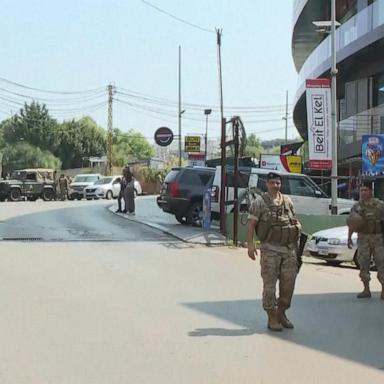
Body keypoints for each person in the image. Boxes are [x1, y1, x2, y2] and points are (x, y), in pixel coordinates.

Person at [247, 172, 301, 331]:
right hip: (270, 249)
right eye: (272, 183)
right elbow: (250, 224)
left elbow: (294, 222)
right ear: (267, 184)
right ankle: (271, 317)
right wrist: (250, 245)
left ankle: (281, 312)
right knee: (269, 285)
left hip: (289, 250)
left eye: (278, 183)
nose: (275, 185)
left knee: (288, 285)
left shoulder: (288, 201)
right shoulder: (259, 203)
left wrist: (297, 248)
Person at [347, 181, 384, 299]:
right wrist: (349, 237)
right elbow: (352, 222)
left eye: (365, 190)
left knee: (381, 263)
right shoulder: (357, 207)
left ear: (371, 191)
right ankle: (366, 289)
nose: (363, 192)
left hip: (378, 238)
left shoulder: (380, 205)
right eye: (361, 190)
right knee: (363, 263)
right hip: (363, 238)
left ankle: (383, 290)